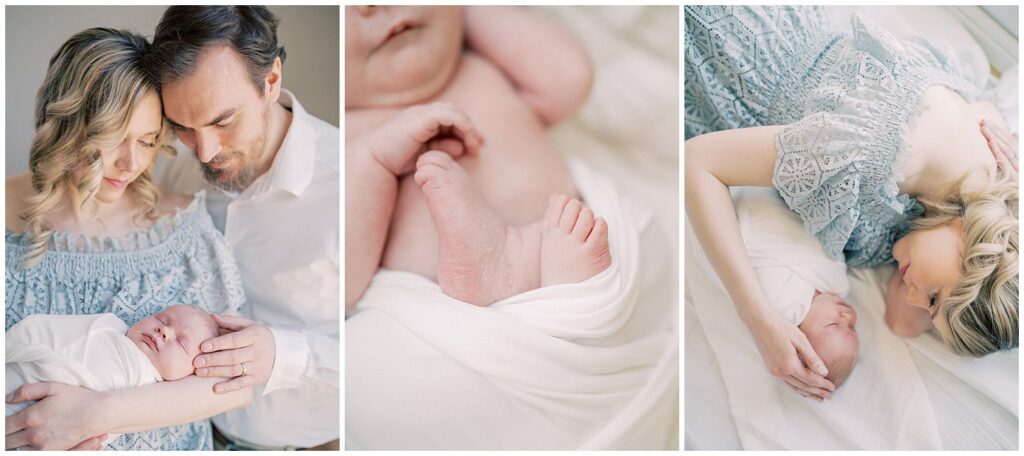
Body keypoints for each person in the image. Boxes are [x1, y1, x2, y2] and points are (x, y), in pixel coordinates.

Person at [684, 5, 1018, 401]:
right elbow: (696, 163)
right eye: (931, 299)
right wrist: (759, 318)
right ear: (972, 247)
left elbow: (898, 320)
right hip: (727, 55)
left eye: (929, 311)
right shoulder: (866, 155)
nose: (911, 298)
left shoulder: (974, 178)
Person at [4, 28, 249, 451]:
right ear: (67, 124)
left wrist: (92, 415)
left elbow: (233, 382)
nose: (131, 162)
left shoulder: (181, 233)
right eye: (113, 139)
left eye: (147, 141)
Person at [148, 6, 340, 450]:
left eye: (222, 121)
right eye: (183, 127)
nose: (206, 150)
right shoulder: (180, 169)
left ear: (270, 81)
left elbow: (390, 352)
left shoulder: (351, 186)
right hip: (191, 436)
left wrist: (286, 356)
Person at [346, 5, 608, 308]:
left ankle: (529, 264)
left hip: (579, 267)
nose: (370, 5)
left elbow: (569, 78)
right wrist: (375, 156)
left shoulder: (482, 67)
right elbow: (346, 282)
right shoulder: (350, 136)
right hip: (446, 320)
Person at [734, 188, 860, 396]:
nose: (847, 315)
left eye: (834, 324)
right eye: (853, 326)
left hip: (748, 210)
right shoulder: (838, 285)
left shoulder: (785, 309)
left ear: (797, 337)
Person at [8, 305, 221, 420]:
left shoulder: (153, 395)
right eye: (161, 319)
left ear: (193, 371)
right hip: (25, 374)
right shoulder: (107, 327)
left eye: (181, 342)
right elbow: (44, 329)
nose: (164, 331)